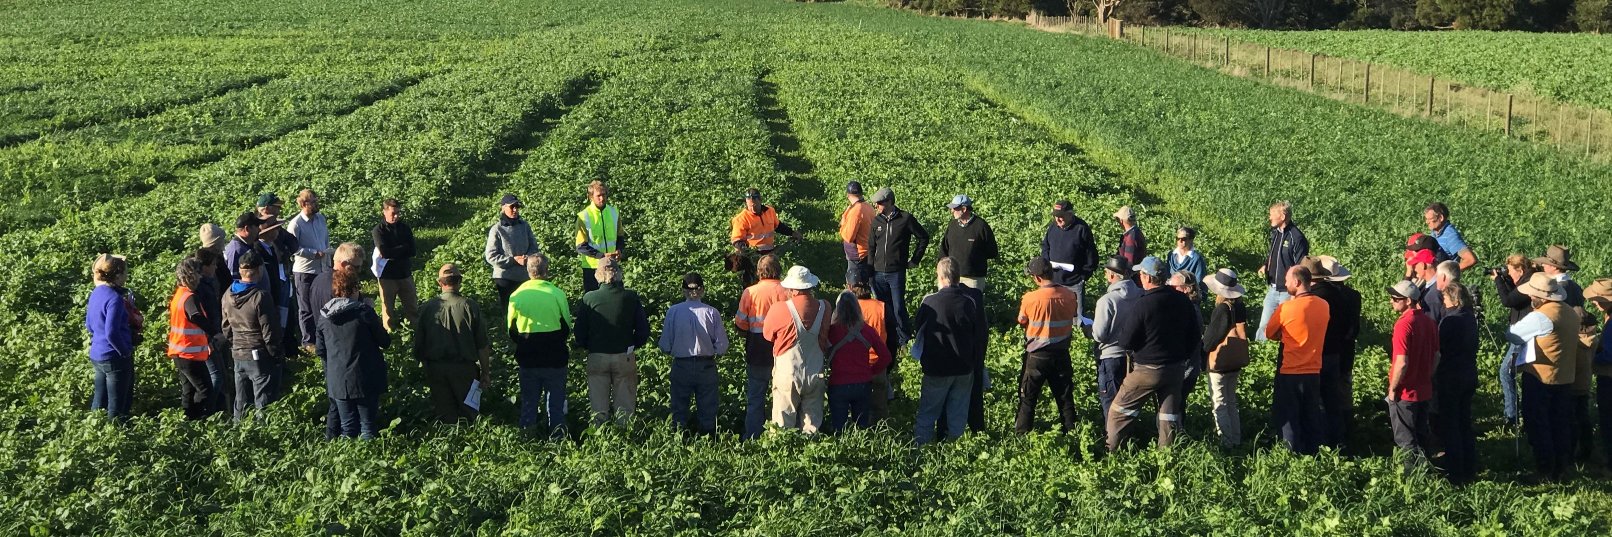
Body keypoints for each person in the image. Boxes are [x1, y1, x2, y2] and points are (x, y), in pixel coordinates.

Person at [1106, 257, 1198, 452]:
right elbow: (1195, 335)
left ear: (1146, 278)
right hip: (1175, 368)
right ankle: (1167, 456)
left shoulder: (1144, 303)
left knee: (1118, 411)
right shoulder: (1182, 300)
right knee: (1168, 417)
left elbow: (1126, 340)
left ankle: (1112, 452)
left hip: (1147, 369)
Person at [1503, 273, 1580, 481]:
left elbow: (1512, 334)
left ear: (1539, 297)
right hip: (1565, 376)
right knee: (1560, 423)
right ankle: (1561, 467)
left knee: (1539, 423)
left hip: (1541, 378)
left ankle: (1544, 469)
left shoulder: (1541, 317)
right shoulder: (1570, 313)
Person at [913, 258, 983, 445]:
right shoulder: (969, 302)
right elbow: (977, 333)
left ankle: (922, 448)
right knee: (958, 412)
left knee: (928, 412)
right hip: (963, 366)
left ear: (942, 277)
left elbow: (918, 328)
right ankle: (954, 448)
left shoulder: (930, 302)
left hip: (937, 367)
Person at [316, 269, 391, 439]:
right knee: (368, 427)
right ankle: (368, 460)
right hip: (366, 377)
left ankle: (346, 459)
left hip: (338, 381)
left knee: (347, 427)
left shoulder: (324, 317)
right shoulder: (364, 312)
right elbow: (385, 342)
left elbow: (320, 350)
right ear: (355, 289)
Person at [575, 257, 649, 427]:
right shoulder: (630, 297)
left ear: (597, 275)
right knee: (625, 405)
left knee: (598, 406)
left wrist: (589, 346)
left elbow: (579, 332)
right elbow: (643, 330)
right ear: (619, 275)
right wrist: (631, 345)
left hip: (597, 356)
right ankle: (625, 434)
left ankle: (600, 436)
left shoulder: (589, 298)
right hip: (624, 356)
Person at [414, 264, 492, 423]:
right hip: (465, 370)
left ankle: (449, 443)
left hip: (436, 368)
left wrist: (427, 366)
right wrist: (485, 372)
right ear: (460, 281)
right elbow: (482, 345)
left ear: (439, 283)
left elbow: (419, 345)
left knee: (444, 415)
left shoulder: (427, 308)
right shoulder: (470, 306)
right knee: (470, 414)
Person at [1265, 265, 1329, 455]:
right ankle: (1314, 453)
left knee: (1289, 417)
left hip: (1290, 371)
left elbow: (1269, 333)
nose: (1285, 283)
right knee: (1311, 415)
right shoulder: (1324, 305)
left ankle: (1290, 454)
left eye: (1287, 280)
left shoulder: (1286, 308)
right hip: (1314, 370)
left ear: (1297, 282)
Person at [508, 255, 572, 437]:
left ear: (528, 271)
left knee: (529, 401)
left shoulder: (516, 295)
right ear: (547, 270)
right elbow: (566, 326)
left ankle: (528, 438)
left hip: (528, 356)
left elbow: (511, 329)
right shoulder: (557, 293)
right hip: (555, 356)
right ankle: (557, 437)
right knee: (556, 403)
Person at [658, 272, 729, 435]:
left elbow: (665, 344)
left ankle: (679, 438)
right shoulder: (712, 312)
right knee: (708, 405)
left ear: (683, 291)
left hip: (681, 364)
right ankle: (708, 438)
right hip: (706, 365)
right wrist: (715, 351)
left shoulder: (673, 312)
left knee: (679, 405)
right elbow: (722, 345)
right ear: (702, 290)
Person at [1014, 257, 1079, 434]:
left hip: (1036, 356)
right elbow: (1073, 314)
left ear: (1037, 278)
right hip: (1061, 353)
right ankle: (1072, 433)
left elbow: (1022, 320)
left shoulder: (1030, 298)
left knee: (1028, 398)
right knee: (1065, 398)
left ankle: (1021, 435)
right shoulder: (1069, 295)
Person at [763, 266, 831, 434]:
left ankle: (783, 453)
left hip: (788, 372)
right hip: (816, 372)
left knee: (782, 422)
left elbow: (767, 335)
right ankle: (811, 453)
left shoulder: (779, 308)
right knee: (812, 425)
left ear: (792, 289)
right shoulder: (825, 307)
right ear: (810, 287)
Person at [308, 242, 365, 438]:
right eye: (355, 267)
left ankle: (333, 438)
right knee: (340, 399)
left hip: (327, 345)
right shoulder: (339, 287)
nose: (359, 271)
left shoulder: (318, 280)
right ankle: (336, 437)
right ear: (343, 263)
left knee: (335, 395)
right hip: (342, 349)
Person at [1385, 280, 1439, 474]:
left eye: (1395, 299)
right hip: (1424, 388)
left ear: (1408, 301)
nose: (1391, 302)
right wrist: (1426, 375)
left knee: (1405, 439)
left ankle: (1411, 479)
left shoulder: (1404, 325)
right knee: (1421, 434)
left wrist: (1393, 388)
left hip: (1405, 391)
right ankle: (1428, 472)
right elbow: (1437, 356)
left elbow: (1402, 362)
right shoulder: (1429, 322)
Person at [734, 254, 790, 440]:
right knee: (782, 394)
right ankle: (780, 434)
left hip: (757, 347)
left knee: (756, 395)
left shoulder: (750, 292)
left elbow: (741, 323)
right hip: (782, 347)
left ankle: (752, 434)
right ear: (779, 270)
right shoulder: (788, 291)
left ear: (759, 272)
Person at [868, 186, 930, 352]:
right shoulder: (876, 221)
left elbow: (923, 237)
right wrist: (870, 270)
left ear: (889, 202)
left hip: (896, 272)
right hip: (878, 272)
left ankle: (903, 339)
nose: (876, 206)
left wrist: (915, 260)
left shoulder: (906, 219)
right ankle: (887, 337)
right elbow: (871, 247)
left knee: (898, 307)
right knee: (883, 307)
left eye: (879, 203)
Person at [222, 251, 281, 421]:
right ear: (259, 270)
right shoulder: (260, 296)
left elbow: (226, 327)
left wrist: (235, 344)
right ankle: (262, 437)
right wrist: (275, 353)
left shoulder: (228, 295)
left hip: (238, 353)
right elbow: (269, 330)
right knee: (263, 401)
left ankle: (238, 435)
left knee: (240, 400)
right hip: (258, 354)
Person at [825, 290, 892, 433]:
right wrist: (871, 371)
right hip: (862, 384)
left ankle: (840, 453)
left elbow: (822, 351)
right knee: (861, 428)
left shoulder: (832, 331)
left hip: (838, 384)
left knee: (838, 428)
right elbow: (886, 356)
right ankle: (862, 452)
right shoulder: (867, 330)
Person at [1435, 284, 1479, 484]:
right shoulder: (1469, 317)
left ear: (1452, 299)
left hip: (1450, 375)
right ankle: (1470, 466)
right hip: (1468, 373)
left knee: (1450, 424)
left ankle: (1455, 470)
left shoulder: (1450, 321)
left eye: (1445, 298)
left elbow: (1440, 348)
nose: (1443, 302)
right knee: (1464, 421)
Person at [86, 254, 138, 420]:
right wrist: (124, 351)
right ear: (117, 275)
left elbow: (89, 325)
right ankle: (116, 431)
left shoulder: (96, 293)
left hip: (97, 354)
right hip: (114, 357)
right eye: (124, 273)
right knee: (118, 403)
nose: (126, 277)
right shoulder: (114, 299)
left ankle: (94, 428)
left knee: (100, 398)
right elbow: (112, 332)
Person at [1202, 268, 1249, 448]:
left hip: (1219, 363)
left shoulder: (1222, 309)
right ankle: (1236, 439)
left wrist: (1203, 349)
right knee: (1231, 401)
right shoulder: (1239, 306)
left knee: (1219, 402)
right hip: (1234, 361)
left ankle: (1226, 443)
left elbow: (1212, 338)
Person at [1090, 256, 1140, 419]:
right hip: (1135, 356)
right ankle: (1130, 434)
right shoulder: (1141, 295)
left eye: (1106, 273)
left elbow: (1099, 334)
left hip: (1110, 357)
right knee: (1128, 401)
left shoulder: (1107, 301)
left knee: (1110, 402)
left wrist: (1087, 329)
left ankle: (1113, 441)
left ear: (1112, 276)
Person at [167, 257, 215, 420]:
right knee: (205, 390)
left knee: (189, 390)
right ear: (190, 275)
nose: (200, 277)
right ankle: (198, 419)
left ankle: (187, 420)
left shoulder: (180, 294)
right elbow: (196, 317)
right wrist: (214, 332)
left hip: (180, 351)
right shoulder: (190, 297)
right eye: (198, 273)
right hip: (189, 353)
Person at [1492, 254, 1537, 428]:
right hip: (1521, 332)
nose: (1509, 274)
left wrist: (1498, 280)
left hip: (1523, 335)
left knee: (1506, 371)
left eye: (1511, 271)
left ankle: (1512, 416)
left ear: (1520, 269)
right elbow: (1516, 298)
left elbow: (1509, 300)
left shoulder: (1529, 282)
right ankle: (1518, 414)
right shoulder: (1527, 279)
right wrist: (1506, 280)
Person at [1256, 201, 1309, 341]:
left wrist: (1294, 294)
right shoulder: (1276, 233)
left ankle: (1278, 356)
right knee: (1264, 326)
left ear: (1283, 216)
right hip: (1273, 289)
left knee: (1285, 328)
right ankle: (1258, 353)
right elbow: (1273, 253)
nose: (1270, 218)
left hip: (1287, 292)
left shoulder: (1296, 238)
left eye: (1272, 214)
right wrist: (1266, 265)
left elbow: (1300, 267)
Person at [286, 189, 330, 354]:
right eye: (313, 201)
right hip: (305, 271)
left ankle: (323, 335)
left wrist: (326, 258)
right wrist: (312, 253)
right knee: (305, 307)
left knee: (322, 303)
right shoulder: (296, 224)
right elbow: (293, 248)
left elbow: (325, 240)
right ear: (304, 204)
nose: (317, 203)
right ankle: (308, 341)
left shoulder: (320, 218)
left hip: (322, 268)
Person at [730, 187, 799, 288]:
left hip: (770, 252)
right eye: (749, 206)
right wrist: (747, 251)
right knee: (754, 281)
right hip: (753, 255)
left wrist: (792, 233)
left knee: (772, 277)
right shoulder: (741, 219)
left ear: (760, 200)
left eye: (754, 205)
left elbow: (778, 226)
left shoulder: (770, 211)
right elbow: (737, 241)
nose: (752, 208)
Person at [191, 247, 232, 415]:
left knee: (220, 376)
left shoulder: (208, 283)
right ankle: (206, 411)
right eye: (213, 265)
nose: (216, 268)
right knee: (216, 377)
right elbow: (201, 317)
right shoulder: (200, 288)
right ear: (205, 266)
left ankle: (216, 411)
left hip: (215, 334)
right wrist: (208, 338)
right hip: (207, 339)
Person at [1042, 200, 1099, 319]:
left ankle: (1078, 335)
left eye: (1061, 216)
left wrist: (1084, 276)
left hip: (1074, 282)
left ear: (1070, 214)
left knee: (1077, 317)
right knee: (1055, 314)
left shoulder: (1081, 228)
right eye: (1055, 216)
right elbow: (1045, 247)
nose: (1058, 219)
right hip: (1054, 281)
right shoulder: (1052, 227)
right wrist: (1047, 264)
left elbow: (1091, 254)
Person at [485, 193, 541, 311]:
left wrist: (527, 258)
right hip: (505, 278)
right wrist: (513, 260)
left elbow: (534, 247)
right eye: (512, 207)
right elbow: (491, 256)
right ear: (503, 208)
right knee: (510, 310)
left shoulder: (524, 226)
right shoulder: (497, 229)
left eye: (517, 206)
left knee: (527, 309)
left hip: (524, 276)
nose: (515, 210)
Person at [850, 280, 893, 422]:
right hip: (878, 363)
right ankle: (882, 437)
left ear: (850, 287)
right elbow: (893, 338)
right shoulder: (882, 307)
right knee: (880, 408)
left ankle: (858, 434)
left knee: (856, 407)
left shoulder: (848, 309)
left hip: (855, 366)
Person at [372, 198, 417, 332]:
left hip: (405, 273)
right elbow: (384, 252)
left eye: (398, 213)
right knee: (388, 309)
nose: (396, 216)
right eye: (393, 213)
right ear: (384, 212)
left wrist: (394, 251)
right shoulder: (378, 231)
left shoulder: (404, 228)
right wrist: (403, 248)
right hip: (387, 276)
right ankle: (391, 336)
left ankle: (415, 331)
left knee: (412, 306)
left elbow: (413, 251)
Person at [938, 195, 999, 291]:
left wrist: (975, 259)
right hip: (952, 277)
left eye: (955, 208)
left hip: (973, 279)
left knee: (973, 304)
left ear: (964, 209)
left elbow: (992, 251)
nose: (952, 211)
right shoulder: (952, 226)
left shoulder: (980, 226)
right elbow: (944, 250)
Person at [1583, 279, 1612, 468]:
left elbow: (1609, 355)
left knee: (1608, 421)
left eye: (1597, 299)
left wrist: (1590, 357)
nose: (1593, 302)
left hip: (1609, 379)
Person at [575, 180, 624, 293]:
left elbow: (620, 236)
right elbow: (581, 246)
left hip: (612, 265)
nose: (602, 198)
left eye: (604, 195)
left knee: (616, 297)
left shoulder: (614, 212)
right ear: (590, 197)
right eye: (598, 196)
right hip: (592, 268)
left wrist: (619, 250)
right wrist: (602, 256)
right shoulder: (583, 216)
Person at [839, 181, 876, 286]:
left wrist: (842, 225)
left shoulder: (856, 211)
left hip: (857, 255)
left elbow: (849, 237)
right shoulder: (868, 207)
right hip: (866, 251)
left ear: (848, 195)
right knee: (865, 283)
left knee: (856, 286)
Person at [1424, 203, 1477, 272]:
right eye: (1426, 219)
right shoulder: (1435, 232)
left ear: (1441, 218)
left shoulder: (1450, 235)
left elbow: (1470, 259)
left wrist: (1447, 272)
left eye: (1430, 219)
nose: (1427, 222)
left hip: (1444, 280)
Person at [1167, 227, 1206, 302]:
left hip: (1187, 298)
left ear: (1191, 240)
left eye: (1183, 239)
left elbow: (1199, 282)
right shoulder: (1171, 255)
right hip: (1171, 295)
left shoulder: (1196, 259)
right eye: (1177, 238)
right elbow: (1167, 276)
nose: (1180, 241)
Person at [223, 211, 261, 281]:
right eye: (256, 226)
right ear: (247, 229)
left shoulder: (246, 245)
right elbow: (234, 281)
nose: (259, 229)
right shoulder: (236, 250)